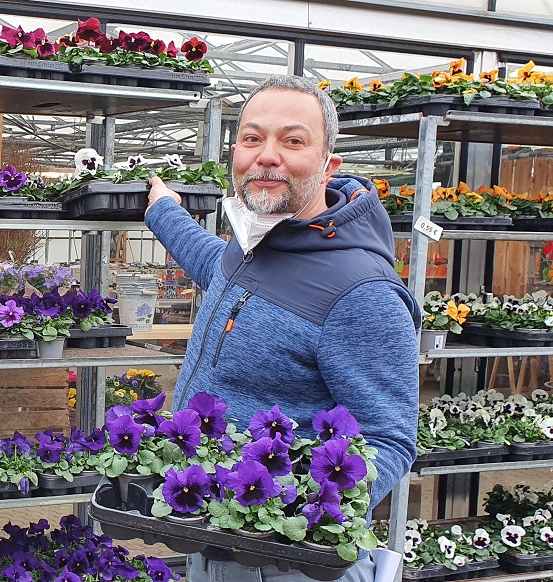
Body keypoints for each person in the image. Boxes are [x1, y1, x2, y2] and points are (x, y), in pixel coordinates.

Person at [144, 75, 419, 581]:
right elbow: (215, 266)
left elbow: (390, 439)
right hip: (215, 541)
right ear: (234, 154)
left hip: (289, 564)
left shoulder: (360, 292)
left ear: (328, 163)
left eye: (292, 141)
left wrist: (294, 519)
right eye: (252, 138)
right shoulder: (258, 243)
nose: (267, 155)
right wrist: (164, 213)